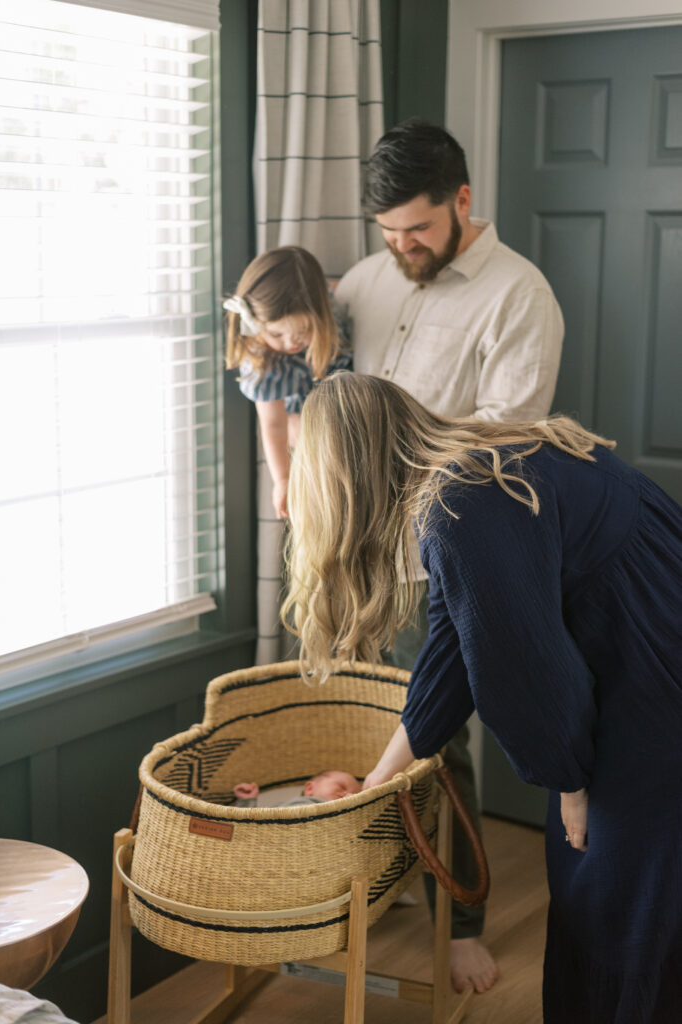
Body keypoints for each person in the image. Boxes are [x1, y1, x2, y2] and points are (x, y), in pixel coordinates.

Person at [282, 372, 682, 1023]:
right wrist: (385, 776)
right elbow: (454, 649)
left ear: (345, 469)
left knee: (614, 896)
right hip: (652, 647)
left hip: (658, 679)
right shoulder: (480, 465)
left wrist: (570, 784)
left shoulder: (462, 506)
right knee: (622, 886)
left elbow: (524, 675)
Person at [334, 118, 565, 992]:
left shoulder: (519, 296)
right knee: (359, 715)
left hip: (440, 558)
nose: (401, 248)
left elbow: (505, 448)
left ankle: (459, 916)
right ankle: (386, 875)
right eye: (388, 234)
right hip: (357, 549)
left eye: (418, 231)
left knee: (430, 735)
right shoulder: (370, 276)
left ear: (463, 202)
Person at [225, 245, 350, 518]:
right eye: (277, 334)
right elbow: (273, 425)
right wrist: (282, 479)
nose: (292, 342)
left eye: (303, 330)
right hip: (302, 414)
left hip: (338, 388)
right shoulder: (262, 363)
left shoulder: (326, 315)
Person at [233, 769, 361, 807]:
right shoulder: (284, 806)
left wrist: (351, 807)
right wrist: (248, 800)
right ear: (310, 788)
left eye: (354, 794)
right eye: (341, 787)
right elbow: (248, 824)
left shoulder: (336, 811)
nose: (347, 794)